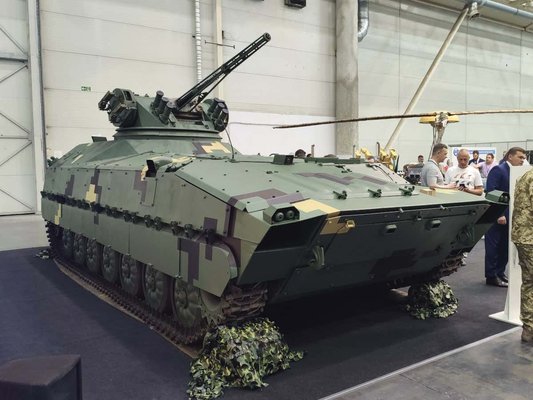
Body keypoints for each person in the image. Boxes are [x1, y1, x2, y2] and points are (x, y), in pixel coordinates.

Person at [485, 147, 527, 287]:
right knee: (493, 247)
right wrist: (500, 214)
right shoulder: (499, 170)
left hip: (510, 216)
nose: (522, 160)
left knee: (505, 246)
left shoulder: (515, 172)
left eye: (523, 158)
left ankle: (500, 272)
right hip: (497, 215)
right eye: (520, 157)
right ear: (510, 156)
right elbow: (491, 192)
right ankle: (491, 275)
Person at [511, 168, 533, 343]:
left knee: (529, 282)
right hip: (530, 237)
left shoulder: (525, 175)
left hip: (523, 236)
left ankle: (528, 328)